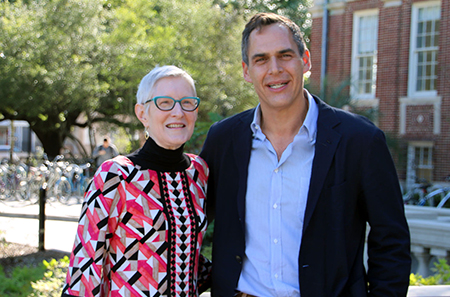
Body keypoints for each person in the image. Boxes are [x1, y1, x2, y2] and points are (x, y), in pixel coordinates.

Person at [200, 12, 411, 297]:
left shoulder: (360, 140)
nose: (274, 69)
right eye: (261, 59)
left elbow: (391, 242)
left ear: (306, 60)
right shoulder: (223, 139)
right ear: (247, 71)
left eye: (285, 55)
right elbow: (187, 222)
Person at [62, 65, 211, 297]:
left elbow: (188, 255)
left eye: (187, 102)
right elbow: (85, 267)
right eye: (165, 102)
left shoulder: (198, 172)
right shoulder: (116, 175)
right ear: (142, 114)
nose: (178, 112)